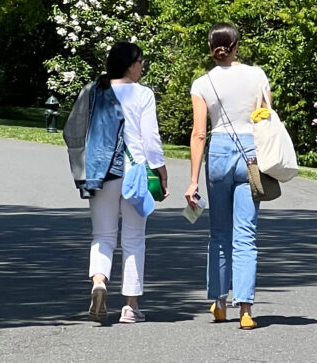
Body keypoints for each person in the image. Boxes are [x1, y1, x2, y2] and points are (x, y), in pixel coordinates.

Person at [186, 23, 271, 330]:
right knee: (245, 234)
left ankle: (219, 303)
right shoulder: (257, 75)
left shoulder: (202, 83)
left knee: (219, 234)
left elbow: (198, 134)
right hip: (251, 153)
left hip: (219, 151)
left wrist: (193, 180)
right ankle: (246, 309)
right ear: (237, 46)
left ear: (211, 48)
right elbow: (266, 117)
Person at [81, 42, 167, 324]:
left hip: (101, 171)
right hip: (134, 172)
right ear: (130, 65)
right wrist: (161, 170)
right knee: (133, 238)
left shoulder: (95, 91)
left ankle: (99, 281)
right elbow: (150, 138)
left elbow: (79, 130)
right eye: (141, 61)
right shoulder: (142, 94)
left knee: (102, 235)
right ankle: (130, 306)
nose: (143, 66)